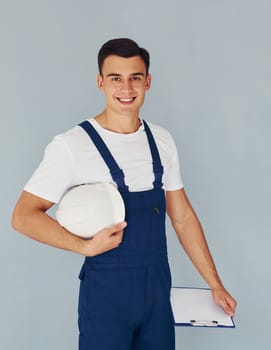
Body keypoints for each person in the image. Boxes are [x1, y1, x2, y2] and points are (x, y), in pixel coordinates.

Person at [12, 38, 237, 350]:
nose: (126, 88)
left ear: (148, 81)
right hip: (106, 297)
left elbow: (182, 217)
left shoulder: (161, 140)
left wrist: (215, 283)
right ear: (101, 82)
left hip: (157, 293)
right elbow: (23, 216)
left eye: (135, 77)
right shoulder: (72, 145)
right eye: (116, 78)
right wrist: (84, 247)